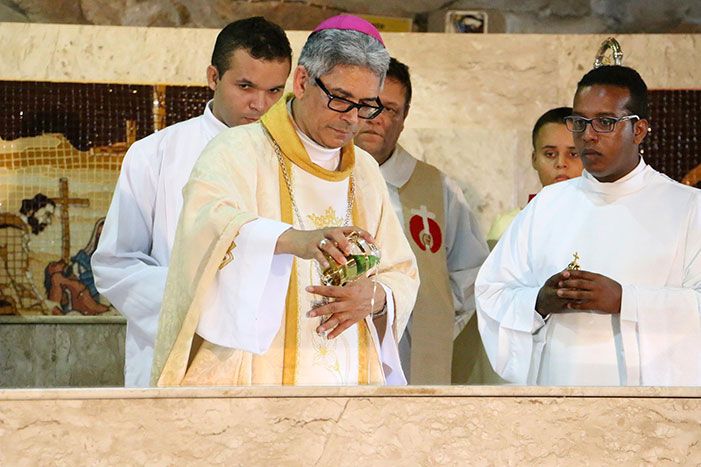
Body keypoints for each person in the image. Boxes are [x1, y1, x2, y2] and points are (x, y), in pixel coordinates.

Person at [151, 15, 419, 387]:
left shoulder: (366, 172)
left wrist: (374, 298)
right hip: (256, 375)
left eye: (367, 106)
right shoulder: (238, 150)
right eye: (341, 100)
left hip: (348, 379)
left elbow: (401, 271)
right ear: (303, 80)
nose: (353, 121)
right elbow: (206, 224)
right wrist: (294, 241)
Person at [92, 17, 292, 387]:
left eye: (275, 91)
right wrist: (206, 303)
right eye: (245, 86)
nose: (260, 104)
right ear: (213, 77)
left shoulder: (293, 162)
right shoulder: (154, 154)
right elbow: (115, 264)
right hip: (178, 356)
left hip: (270, 362)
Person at [475, 65, 701, 386]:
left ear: (638, 130)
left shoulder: (689, 208)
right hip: (559, 392)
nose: (588, 135)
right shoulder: (547, 205)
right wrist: (540, 301)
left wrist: (625, 300)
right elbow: (492, 293)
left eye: (605, 122)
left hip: (650, 409)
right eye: (579, 122)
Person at [354, 57, 492, 384]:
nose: (375, 118)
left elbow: (471, 272)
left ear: (404, 117)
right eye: (367, 105)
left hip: (408, 348)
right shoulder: (317, 177)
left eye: (389, 109)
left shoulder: (436, 189)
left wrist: (434, 323)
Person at [486, 107, 582, 249]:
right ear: (534, 159)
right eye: (550, 154)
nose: (561, 163)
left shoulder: (605, 221)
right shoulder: (508, 226)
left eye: (573, 154)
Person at [0, 194, 56, 314]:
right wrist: (42, 304)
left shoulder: (10, 226)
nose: (49, 221)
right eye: (47, 215)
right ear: (31, 211)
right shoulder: (15, 231)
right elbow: (17, 274)